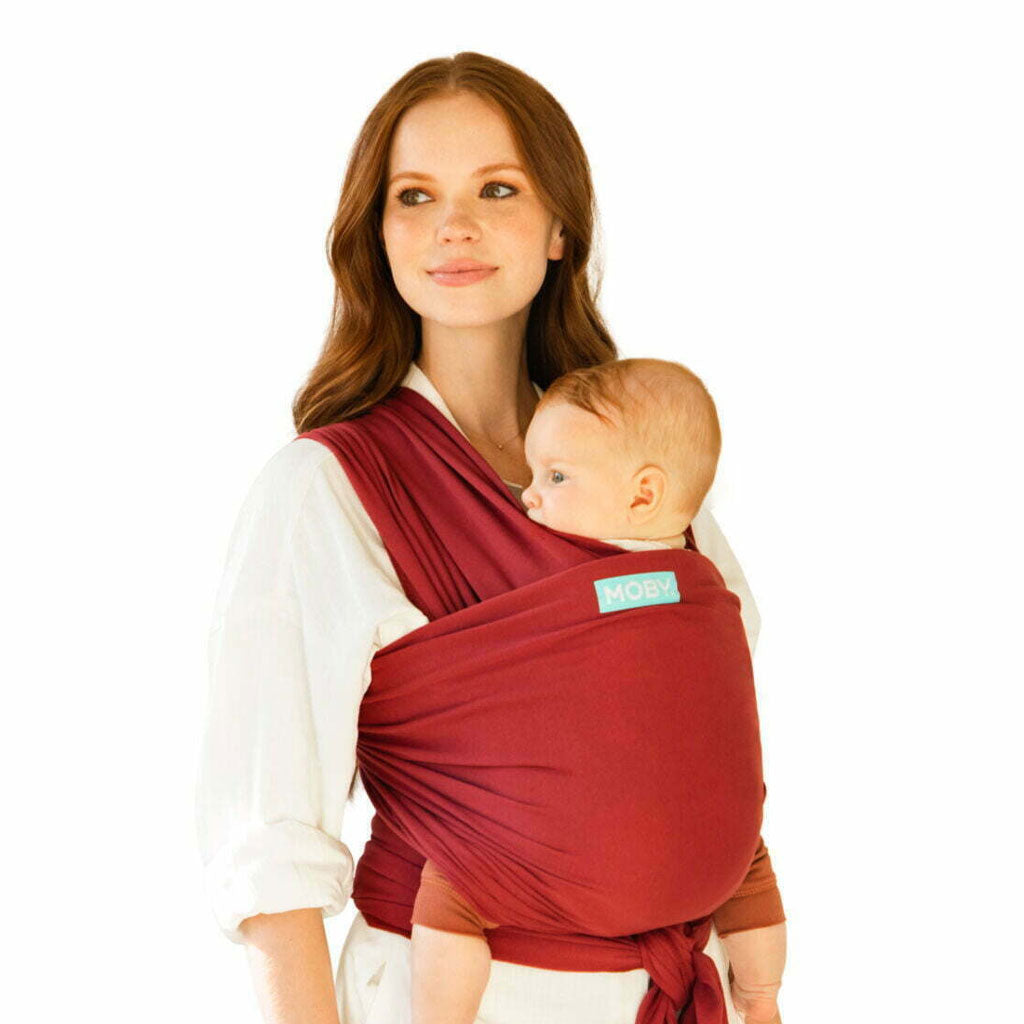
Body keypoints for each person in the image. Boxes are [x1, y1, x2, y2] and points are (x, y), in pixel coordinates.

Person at [194, 52, 787, 1024]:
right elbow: (268, 843)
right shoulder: (323, 489)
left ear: (561, 228)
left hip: (677, 989)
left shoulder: (643, 471)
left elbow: (699, 721)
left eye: (497, 189)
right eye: (414, 196)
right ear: (377, 233)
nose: (453, 226)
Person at [408, 357, 785, 1024]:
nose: (529, 496)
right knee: (748, 857)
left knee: (453, 880)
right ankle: (761, 998)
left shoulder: (549, 582)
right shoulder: (708, 587)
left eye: (555, 477)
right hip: (709, 864)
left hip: (580, 865)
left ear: (642, 495)